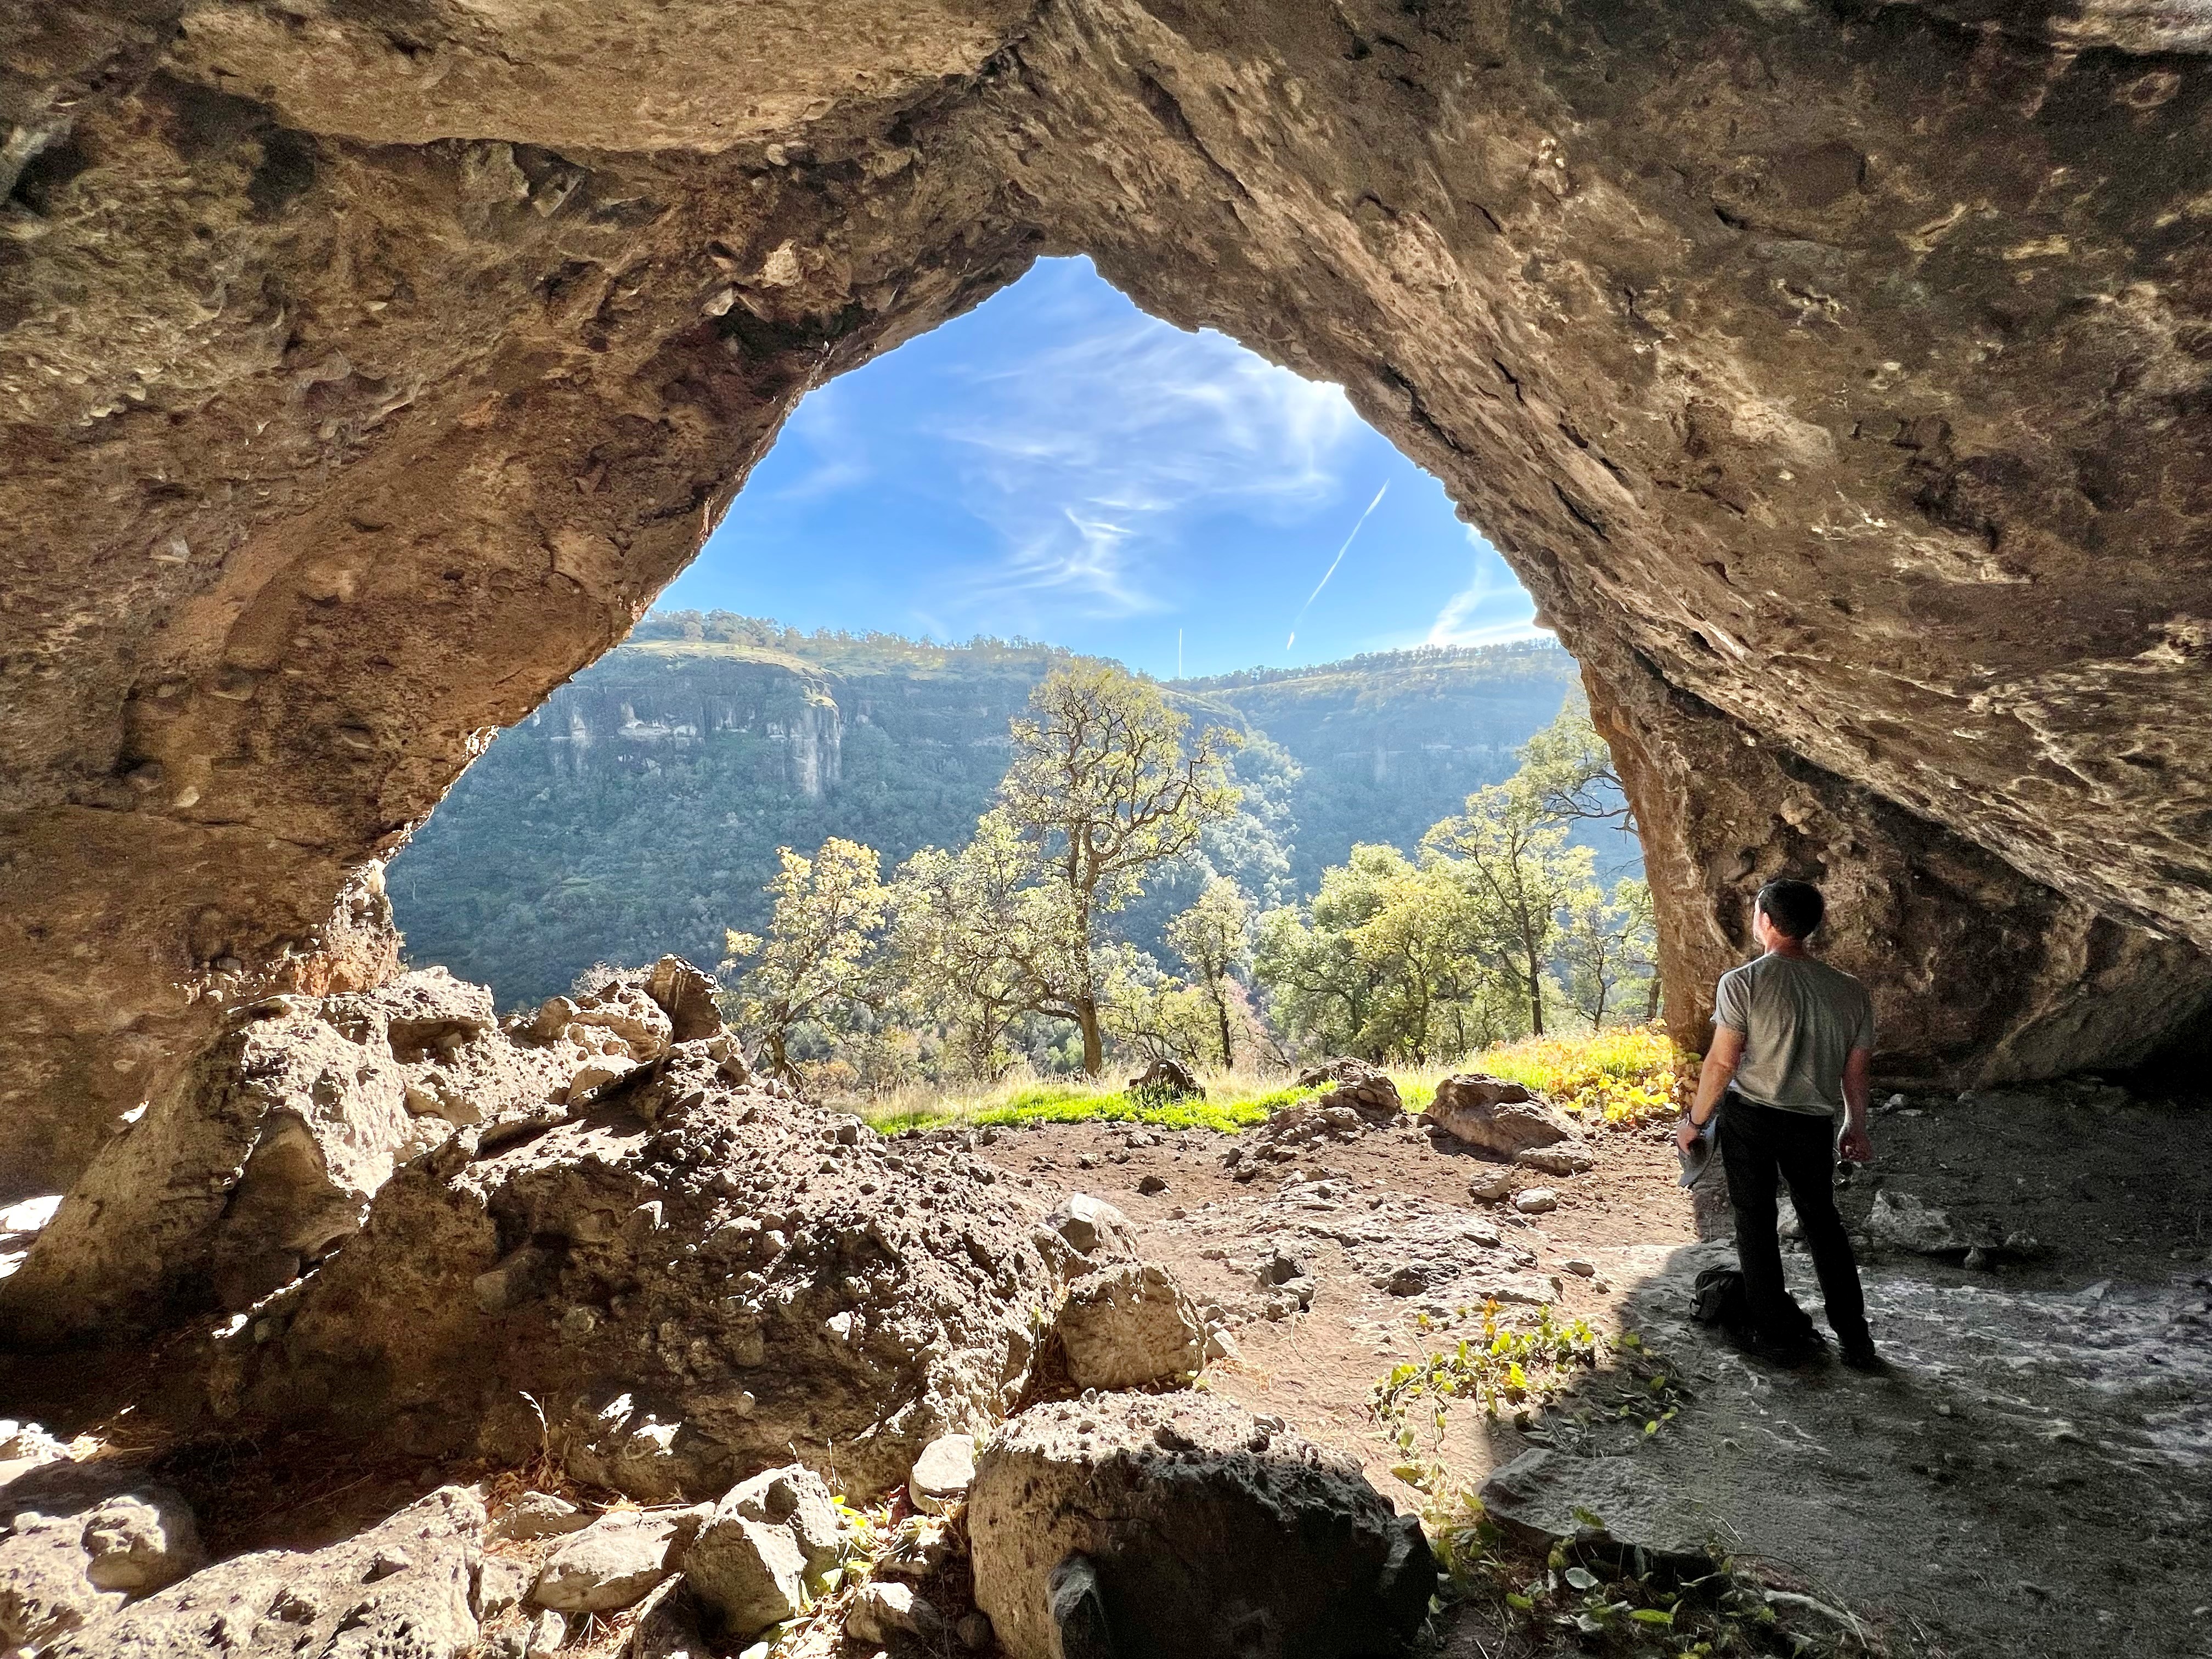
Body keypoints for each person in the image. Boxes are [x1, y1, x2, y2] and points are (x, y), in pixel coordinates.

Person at [1675, 877, 1881, 1370]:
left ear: (1766, 921)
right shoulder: (1851, 992)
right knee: (1823, 1224)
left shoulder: (1743, 982)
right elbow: (1855, 1071)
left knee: (1755, 1222)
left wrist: (1695, 1121)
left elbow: (1722, 1064)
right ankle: (1855, 1338)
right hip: (1813, 1122)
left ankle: (1775, 1335)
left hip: (1752, 1118)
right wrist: (1855, 1125)